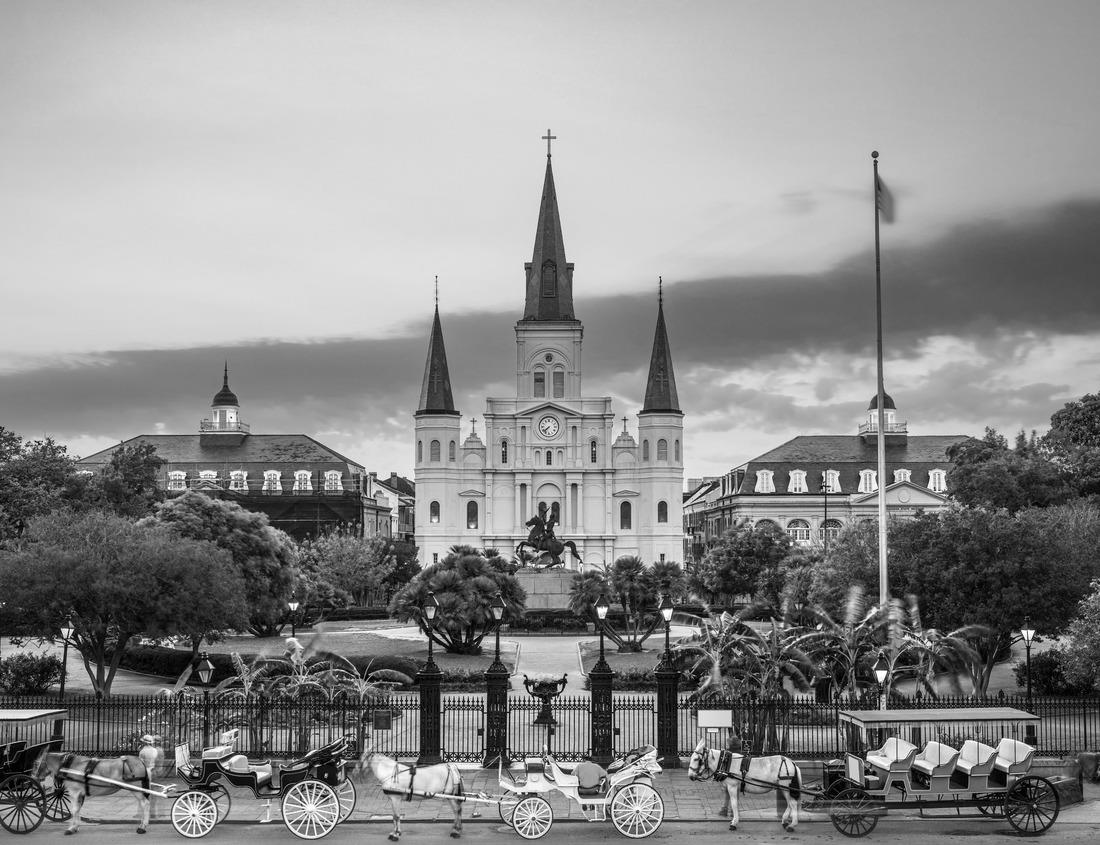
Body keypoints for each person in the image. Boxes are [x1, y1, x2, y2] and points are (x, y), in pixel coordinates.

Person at [137, 735, 160, 819]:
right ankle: (153, 812)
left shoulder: (142, 752)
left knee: (145, 793)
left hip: (146, 771)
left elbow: (140, 763)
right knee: (153, 792)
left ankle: (145, 812)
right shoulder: (155, 750)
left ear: (144, 742)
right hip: (153, 770)